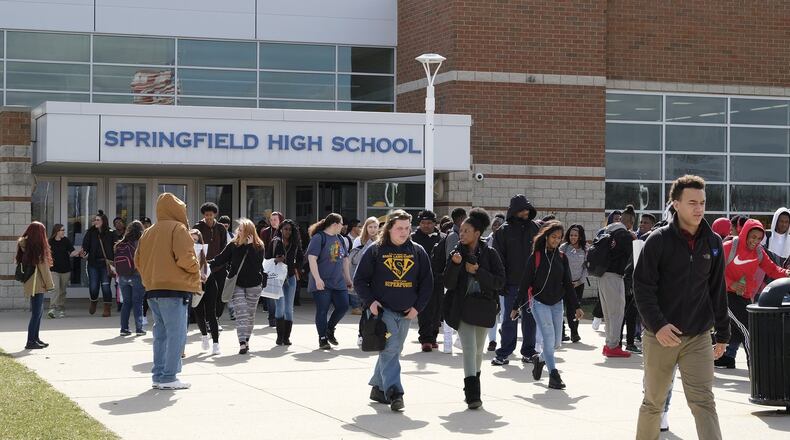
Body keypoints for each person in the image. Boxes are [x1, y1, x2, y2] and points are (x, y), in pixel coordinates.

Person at [633, 175, 730, 440]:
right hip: (661, 336)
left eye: (703, 203)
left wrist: (722, 334)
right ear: (675, 204)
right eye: (692, 203)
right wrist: (658, 325)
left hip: (698, 337)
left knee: (704, 403)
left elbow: (716, 290)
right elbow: (642, 287)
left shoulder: (713, 243)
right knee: (653, 403)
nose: (699, 208)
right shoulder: (658, 240)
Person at [354, 210, 433, 411]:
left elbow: (427, 284)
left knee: (395, 349)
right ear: (389, 228)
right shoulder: (375, 250)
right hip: (383, 312)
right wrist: (370, 302)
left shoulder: (417, 251)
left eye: (407, 228)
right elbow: (360, 280)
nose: (404, 232)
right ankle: (395, 392)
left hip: (407, 312)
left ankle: (378, 388)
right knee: (390, 348)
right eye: (399, 228)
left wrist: (417, 308)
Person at [135, 193, 201, 390]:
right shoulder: (178, 228)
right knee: (177, 334)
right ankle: (169, 376)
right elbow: (186, 258)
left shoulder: (148, 232)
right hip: (175, 289)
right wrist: (196, 267)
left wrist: (151, 277)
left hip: (153, 289)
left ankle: (159, 375)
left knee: (160, 334)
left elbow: (138, 261)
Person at [443, 209, 505, 408]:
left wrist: (478, 271)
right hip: (463, 307)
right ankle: (473, 394)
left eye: (466, 231)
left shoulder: (490, 253)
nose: (461, 235)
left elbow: (499, 282)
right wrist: (455, 265)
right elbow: (448, 283)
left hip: (485, 307)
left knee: (479, 350)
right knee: (469, 349)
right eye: (460, 231)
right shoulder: (456, 253)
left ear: (477, 233)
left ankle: (473, 385)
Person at [512, 221, 584, 389]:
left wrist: (577, 306)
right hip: (539, 302)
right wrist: (516, 306)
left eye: (559, 238)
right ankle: (553, 374)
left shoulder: (561, 257)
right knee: (549, 338)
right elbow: (524, 283)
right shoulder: (536, 257)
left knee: (557, 342)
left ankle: (540, 359)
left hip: (557, 303)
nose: (556, 240)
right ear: (546, 237)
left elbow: (567, 284)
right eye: (553, 237)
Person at [716, 218, 789, 369]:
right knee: (750, 331)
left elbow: (773, 270)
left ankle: (698, 353)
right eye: (752, 237)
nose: (755, 241)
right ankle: (756, 372)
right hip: (724, 296)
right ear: (745, 234)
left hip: (744, 298)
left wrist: (787, 273)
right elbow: (712, 271)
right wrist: (731, 283)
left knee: (731, 334)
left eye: (759, 238)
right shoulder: (728, 247)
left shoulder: (758, 252)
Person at [491, 195, 540, 366]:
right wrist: (501, 282)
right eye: (522, 209)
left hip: (532, 285)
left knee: (530, 319)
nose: (526, 212)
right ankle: (504, 353)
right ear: (514, 211)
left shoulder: (535, 228)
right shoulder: (503, 231)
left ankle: (528, 351)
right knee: (509, 319)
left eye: (527, 209)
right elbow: (497, 259)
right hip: (511, 284)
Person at [210, 218, 266, 354]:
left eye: (242, 230)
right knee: (241, 313)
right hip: (237, 284)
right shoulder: (233, 245)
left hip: (254, 285)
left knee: (250, 314)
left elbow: (257, 265)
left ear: (249, 232)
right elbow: (220, 259)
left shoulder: (259, 246)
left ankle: (247, 339)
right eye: (239, 230)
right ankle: (241, 342)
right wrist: (205, 264)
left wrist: (249, 247)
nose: (239, 232)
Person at [306, 213, 353, 349]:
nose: (343, 226)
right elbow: (312, 259)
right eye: (341, 223)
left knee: (343, 306)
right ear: (334, 224)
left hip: (338, 282)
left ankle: (330, 329)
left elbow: (344, 260)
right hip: (322, 282)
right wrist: (317, 279)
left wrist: (348, 279)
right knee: (322, 310)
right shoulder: (318, 238)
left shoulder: (341, 239)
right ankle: (322, 338)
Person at [597, 208, 634, 358]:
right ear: (630, 222)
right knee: (617, 312)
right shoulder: (624, 235)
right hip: (614, 277)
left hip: (602, 275)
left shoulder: (606, 232)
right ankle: (613, 346)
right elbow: (632, 256)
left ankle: (608, 344)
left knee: (607, 312)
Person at [17, 222, 55, 349]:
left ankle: (35, 338)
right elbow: (44, 268)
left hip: (31, 281)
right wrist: (50, 285)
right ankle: (30, 341)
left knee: (38, 312)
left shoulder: (26, 245)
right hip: (36, 283)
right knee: (36, 313)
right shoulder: (36, 247)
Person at [412, 210, 445, 352]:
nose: (426, 226)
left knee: (437, 310)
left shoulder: (443, 238)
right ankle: (425, 339)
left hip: (438, 279)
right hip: (420, 280)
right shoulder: (413, 238)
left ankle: (434, 336)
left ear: (435, 224)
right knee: (424, 310)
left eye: (429, 223)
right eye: (423, 223)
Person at [271, 219, 304, 346]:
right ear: (280, 229)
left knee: (289, 308)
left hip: (290, 277)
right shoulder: (275, 242)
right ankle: (279, 337)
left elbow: (301, 257)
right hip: (278, 278)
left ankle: (286, 337)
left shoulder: (295, 243)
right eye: (285, 229)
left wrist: (297, 268)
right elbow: (267, 258)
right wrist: (276, 259)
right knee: (280, 307)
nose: (288, 231)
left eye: (290, 229)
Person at [193, 203, 228, 323]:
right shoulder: (198, 227)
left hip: (219, 266)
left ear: (215, 214)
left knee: (220, 294)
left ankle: (216, 318)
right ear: (203, 214)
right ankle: (205, 320)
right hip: (203, 267)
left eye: (211, 215)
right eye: (206, 215)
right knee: (205, 294)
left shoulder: (221, 228)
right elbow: (193, 245)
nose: (208, 217)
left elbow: (224, 246)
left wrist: (222, 261)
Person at [80, 210, 115, 317]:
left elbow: (116, 247)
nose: (95, 221)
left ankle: (107, 308)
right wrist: (83, 252)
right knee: (93, 287)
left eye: (98, 220)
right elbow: (85, 245)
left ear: (103, 221)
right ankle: (94, 301)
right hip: (93, 264)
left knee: (105, 286)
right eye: (94, 220)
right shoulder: (90, 232)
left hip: (106, 264)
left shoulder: (111, 233)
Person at [190, 229, 219, 354]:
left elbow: (207, 267)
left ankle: (216, 344)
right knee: (198, 312)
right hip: (195, 284)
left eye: (196, 240)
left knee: (211, 313)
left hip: (209, 282)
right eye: (191, 240)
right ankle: (204, 336)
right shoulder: (184, 253)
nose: (193, 243)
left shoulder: (202, 252)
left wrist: (203, 273)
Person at [116, 220, 147, 336]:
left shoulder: (121, 243)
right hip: (137, 275)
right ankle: (139, 328)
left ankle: (124, 329)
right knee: (138, 302)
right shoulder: (141, 242)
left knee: (126, 303)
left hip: (123, 276)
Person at [559, 224, 587, 343]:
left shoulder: (585, 249)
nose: (573, 237)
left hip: (578, 284)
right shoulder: (564, 248)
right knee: (561, 309)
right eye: (571, 235)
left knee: (574, 309)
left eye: (576, 235)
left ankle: (574, 332)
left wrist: (579, 281)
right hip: (564, 284)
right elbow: (558, 264)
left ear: (580, 237)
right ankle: (560, 332)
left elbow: (586, 268)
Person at [619, 205, 641, 353]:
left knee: (619, 314)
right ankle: (630, 343)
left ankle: (616, 342)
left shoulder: (612, 235)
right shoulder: (632, 238)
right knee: (631, 314)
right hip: (629, 280)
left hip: (616, 279)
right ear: (631, 222)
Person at [350, 217, 380, 316]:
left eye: (375, 227)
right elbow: (355, 260)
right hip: (363, 275)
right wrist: (368, 244)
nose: (373, 229)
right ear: (366, 228)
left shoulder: (382, 240)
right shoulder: (359, 240)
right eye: (370, 227)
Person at [485, 213, 506, 351]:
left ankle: (505, 336)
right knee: (492, 312)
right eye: (494, 224)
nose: (496, 227)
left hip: (504, 282)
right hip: (490, 281)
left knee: (505, 312)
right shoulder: (486, 241)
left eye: (499, 225)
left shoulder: (508, 242)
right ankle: (492, 341)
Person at [260, 212, 284, 327]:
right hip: (269, 264)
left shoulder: (286, 231)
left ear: (280, 220)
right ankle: (272, 317)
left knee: (282, 293)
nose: (273, 221)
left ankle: (280, 316)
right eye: (271, 219)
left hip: (283, 265)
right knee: (270, 292)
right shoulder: (265, 232)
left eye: (275, 219)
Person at [48, 224, 75, 319]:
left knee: (62, 291)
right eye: (62, 230)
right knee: (55, 289)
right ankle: (52, 309)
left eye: (64, 230)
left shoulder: (66, 240)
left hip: (65, 270)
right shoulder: (50, 241)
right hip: (54, 270)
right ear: (57, 231)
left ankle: (61, 309)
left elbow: (71, 252)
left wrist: (79, 253)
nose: (64, 231)